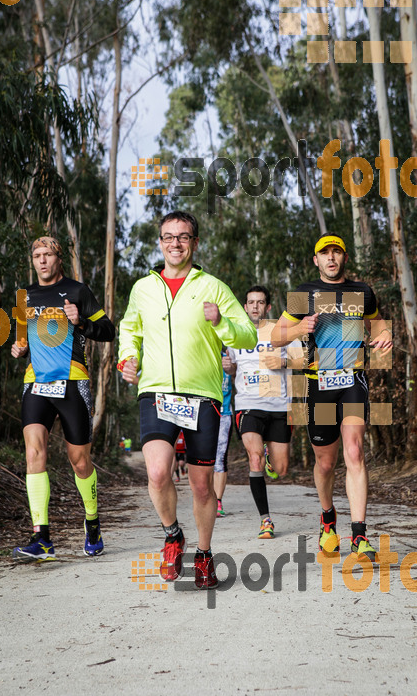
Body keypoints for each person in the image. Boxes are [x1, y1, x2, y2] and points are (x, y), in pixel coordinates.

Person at [117, 211, 257, 589]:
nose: (175, 243)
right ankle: (172, 535)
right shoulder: (143, 288)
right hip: (156, 391)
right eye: (168, 237)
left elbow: (246, 335)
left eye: (183, 237)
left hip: (202, 395)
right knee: (159, 473)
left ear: (194, 243)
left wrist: (221, 324)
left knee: (200, 486)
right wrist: (128, 359)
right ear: (160, 242)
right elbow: (129, 328)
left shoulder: (212, 287)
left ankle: (205, 555)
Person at [271, 233, 392, 561]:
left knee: (354, 451)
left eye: (336, 251)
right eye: (325, 253)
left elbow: (380, 326)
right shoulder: (303, 293)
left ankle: (359, 535)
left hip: (353, 379)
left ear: (344, 258)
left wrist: (385, 337)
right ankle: (327, 520)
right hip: (317, 383)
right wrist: (299, 329)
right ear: (316, 260)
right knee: (325, 462)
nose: (331, 257)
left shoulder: (361, 292)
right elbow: (275, 336)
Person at [11, 236, 115, 561]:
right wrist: (18, 348)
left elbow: (108, 331)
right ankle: (41, 538)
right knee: (33, 452)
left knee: (80, 461)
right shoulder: (24, 296)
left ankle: (93, 522)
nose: (42, 260)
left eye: (48, 255)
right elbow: (21, 339)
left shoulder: (78, 291)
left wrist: (80, 322)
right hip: (36, 382)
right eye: (37, 255)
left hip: (71, 380)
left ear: (59, 259)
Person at [224, 286, 301, 539]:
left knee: (281, 469)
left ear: (268, 307)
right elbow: (233, 368)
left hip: (278, 405)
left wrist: (284, 362)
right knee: (253, 457)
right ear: (245, 307)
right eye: (250, 302)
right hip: (248, 405)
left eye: (260, 302)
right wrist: (229, 367)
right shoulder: (236, 335)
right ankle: (265, 519)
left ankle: (270, 455)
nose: (255, 306)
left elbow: (306, 358)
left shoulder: (282, 331)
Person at [214, 354, 233, 517]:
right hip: (203, 412)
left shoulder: (229, 354)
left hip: (224, 414)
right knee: (202, 460)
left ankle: (217, 501)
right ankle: (204, 498)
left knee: (219, 460)